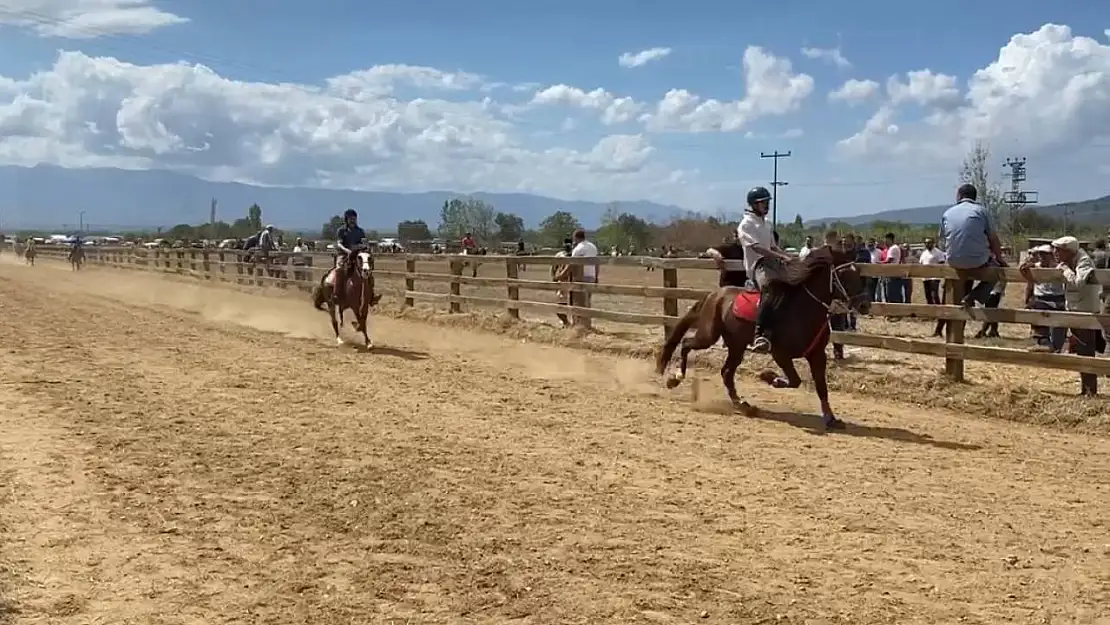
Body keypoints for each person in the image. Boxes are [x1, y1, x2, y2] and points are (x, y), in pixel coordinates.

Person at [739, 186, 793, 352]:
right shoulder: (745, 225)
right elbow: (757, 248)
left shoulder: (767, 224)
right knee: (770, 287)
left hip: (773, 263)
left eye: (768, 202)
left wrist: (790, 258)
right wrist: (780, 257)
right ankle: (759, 334)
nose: (767, 205)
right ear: (754, 205)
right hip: (758, 265)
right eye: (763, 203)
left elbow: (773, 247)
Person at [940, 183, 1006, 307]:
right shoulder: (981, 211)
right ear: (974, 197)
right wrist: (999, 258)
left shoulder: (947, 213)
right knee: (999, 273)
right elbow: (993, 238)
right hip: (977, 261)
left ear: (959, 196)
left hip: (953, 261)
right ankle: (974, 296)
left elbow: (944, 239)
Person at [332, 209, 367, 298]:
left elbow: (364, 243)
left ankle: (370, 295)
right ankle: (337, 293)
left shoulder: (360, 231)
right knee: (339, 269)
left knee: (367, 268)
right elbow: (339, 243)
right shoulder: (341, 230)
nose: (353, 220)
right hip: (344, 255)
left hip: (357, 254)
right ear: (346, 219)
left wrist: (361, 246)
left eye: (354, 218)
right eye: (350, 218)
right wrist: (347, 250)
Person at [918, 237, 947, 305]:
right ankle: (930, 311)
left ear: (933, 243)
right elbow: (921, 263)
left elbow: (942, 263)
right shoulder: (924, 253)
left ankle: (938, 309)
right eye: (926, 243)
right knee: (928, 295)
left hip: (935, 277)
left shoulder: (938, 252)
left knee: (934, 295)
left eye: (929, 242)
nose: (927, 244)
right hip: (925, 277)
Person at [881, 232, 904, 304]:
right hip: (892, 273)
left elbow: (889, 260)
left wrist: (879, 263)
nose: (885, 241)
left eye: (886, 240)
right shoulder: (892, 248)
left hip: (892, 274)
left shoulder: (893, 248)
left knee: (891, 293)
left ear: (890, 239)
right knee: (893, 292)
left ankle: (894, 310)